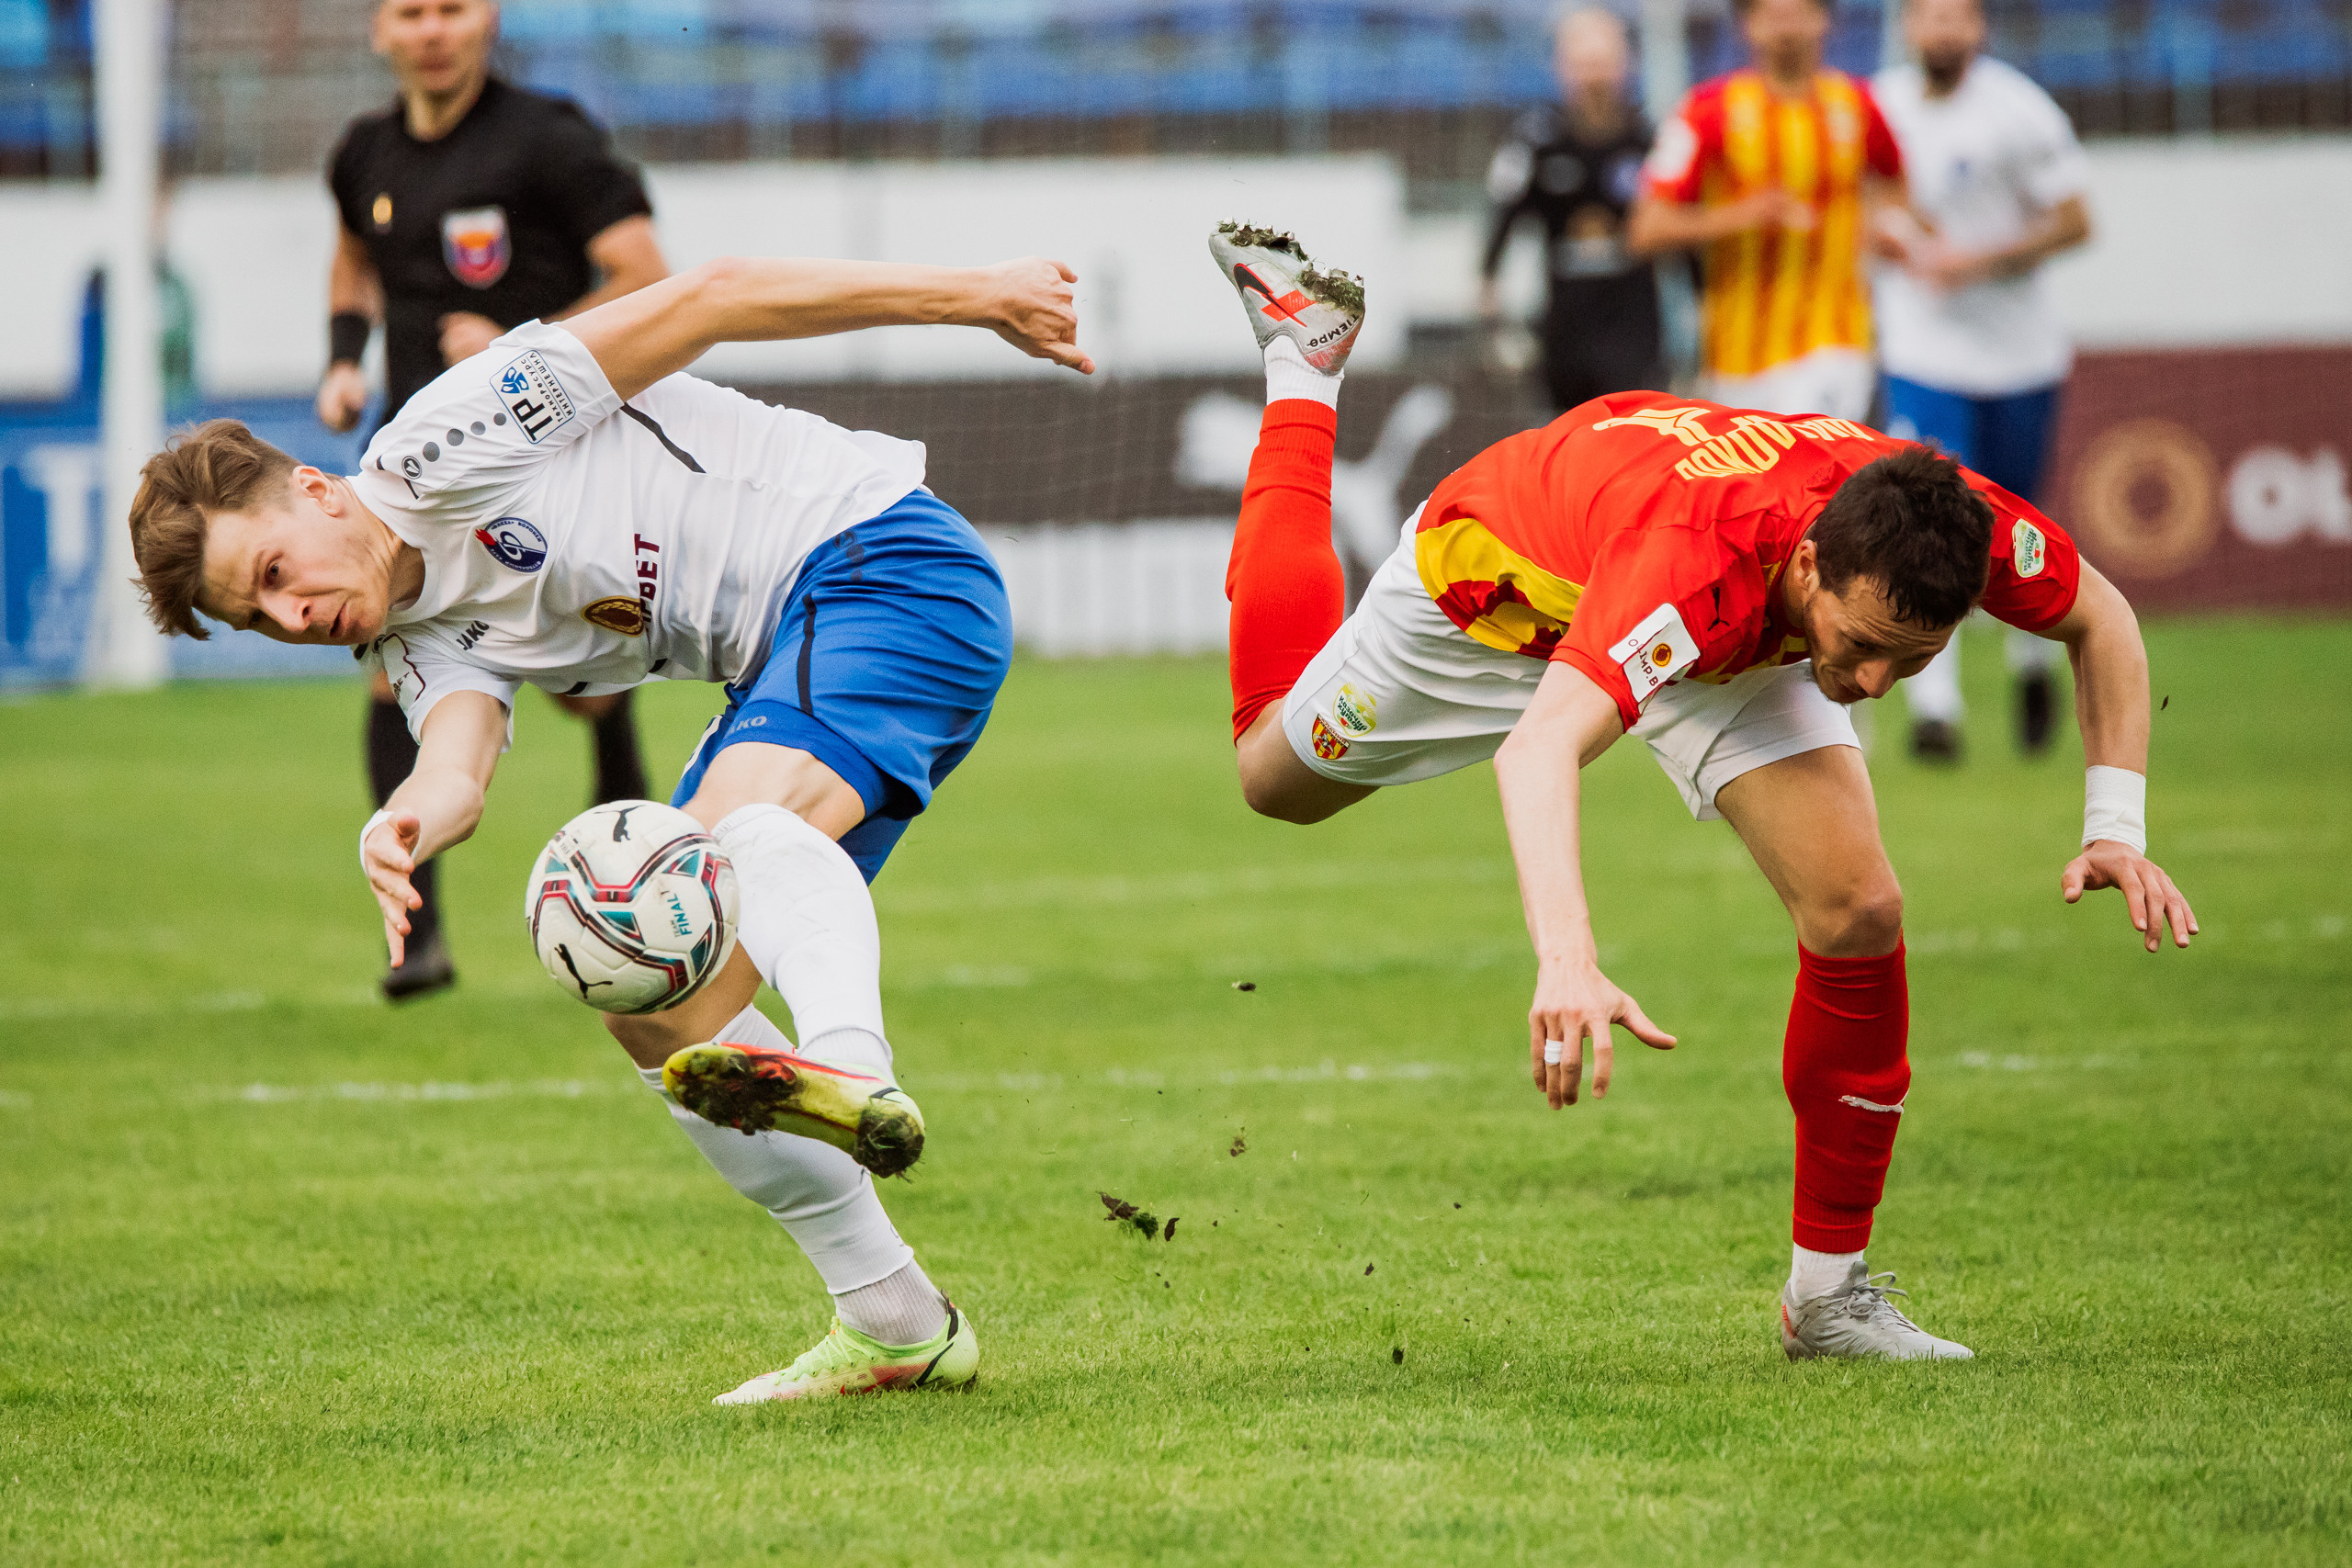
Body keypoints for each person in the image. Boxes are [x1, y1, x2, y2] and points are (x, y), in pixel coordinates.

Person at [1208, 222, 2194, 1359]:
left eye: (1909, 664)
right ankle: (1303, 367)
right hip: (1498, 590)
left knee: (1859, 906)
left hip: (1736, 632)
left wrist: (2114, 823)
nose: (1872, 686)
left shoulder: (1941, 526)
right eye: (1865, 646)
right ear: (1814, 566)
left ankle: (1826, 1298)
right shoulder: (1690, 569)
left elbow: (2102, 617)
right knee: (1273, 772)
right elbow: (1538, 753)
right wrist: (1566, 960)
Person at [125, 252, 1094, 1401]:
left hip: (878, 562)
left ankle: (849, 1070)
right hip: (795, 653)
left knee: (705, 863)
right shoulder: (404, 636)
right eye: (260, 617)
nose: (294, 612)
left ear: (319, 491)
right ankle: (894, 1320)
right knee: (648, 990)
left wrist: (972, 296)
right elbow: (460, 762)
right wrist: (401, 823)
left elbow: (713, 298)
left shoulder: (453, 436)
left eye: (275, 568)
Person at [320, 0, 671, 1000]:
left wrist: (527, 339)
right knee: (393, 676)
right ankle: (415, 928)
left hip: (545, 458)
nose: (432, 29)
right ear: (381, 31)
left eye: (452, 9)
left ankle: (631, 882)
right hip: (412, 476)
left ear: (488, 21)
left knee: (591, 679)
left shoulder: (549, 139)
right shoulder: (361, 155)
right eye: (410, 12)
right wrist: (343, 361)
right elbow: (352, 258)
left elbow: (644, 276)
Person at [1872, 0, 2094, 762]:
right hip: (1922, 350)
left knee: (2014, 519)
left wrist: (1977, 259)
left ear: (1979, 28)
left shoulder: (2019, 111)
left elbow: (2074, 220)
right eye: (1928, 16)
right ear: (1907, 26)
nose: (1942, 31)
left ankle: (2031, 661)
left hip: (2018, 354)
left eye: (1956, 17)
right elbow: (1865, 198)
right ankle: (1936, 706)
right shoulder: (1880, 107)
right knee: (1927, 511)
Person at [1627, 0, 1905, 422]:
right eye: (1772, 14)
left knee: (1816, 469)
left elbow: (1897, 187)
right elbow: (1645, 229)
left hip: (1837, 338)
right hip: (1738, 353)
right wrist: (1741, 215)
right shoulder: (1705, 110)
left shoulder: (1859, 104)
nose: (1786, 26)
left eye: (1799, 12)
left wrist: (1885, 228)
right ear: (1746, 26)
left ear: (1824, 20)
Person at [1478, 6, 1664, 412]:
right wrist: (1494, 316)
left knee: (1634, 444)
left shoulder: (1651, 141)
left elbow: (1682, 236)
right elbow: (1502, 224)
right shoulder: (1536, 144)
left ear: (1627, 65)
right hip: (1563, 332)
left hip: (1635, 331)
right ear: (1560, 68)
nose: (1594, 78)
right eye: (1583, 65)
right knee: (1565, 447)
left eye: (1603, 64)